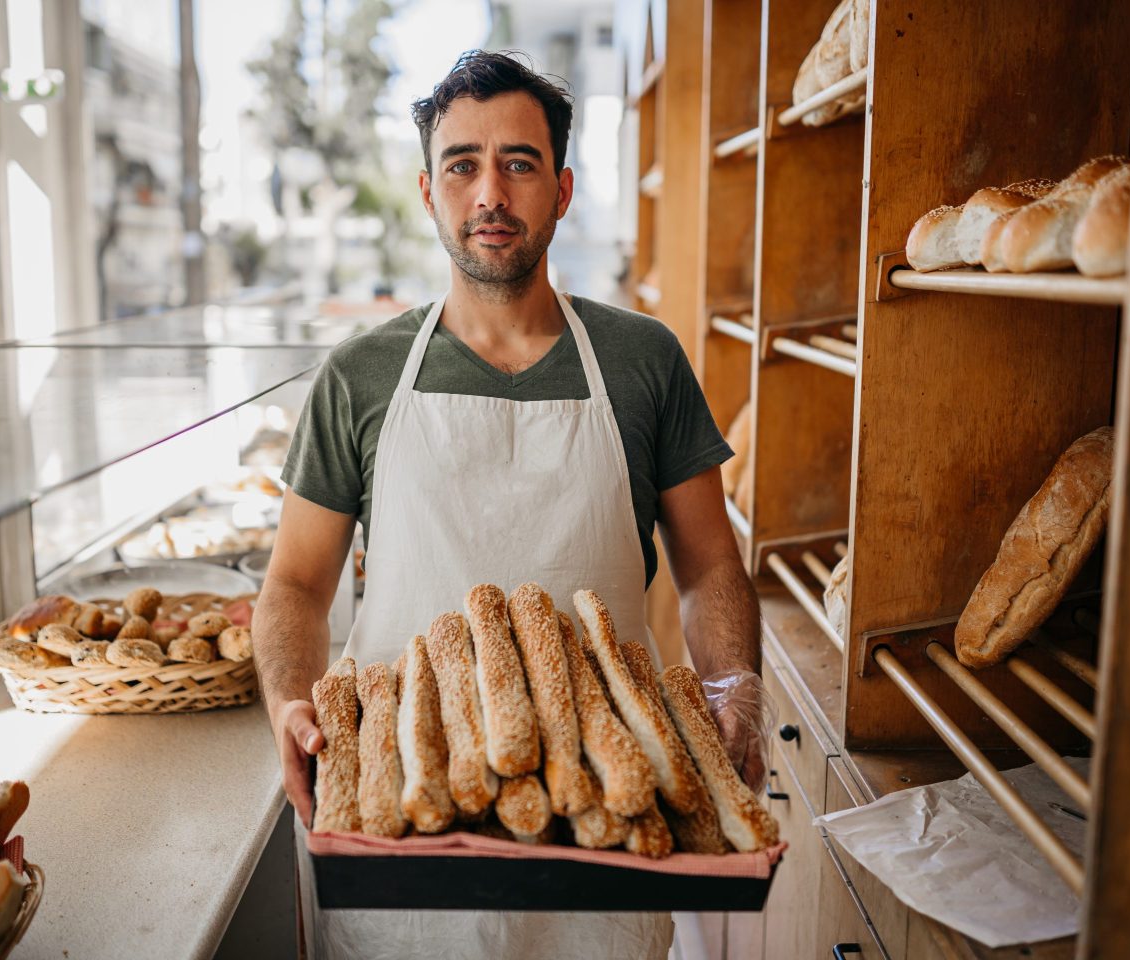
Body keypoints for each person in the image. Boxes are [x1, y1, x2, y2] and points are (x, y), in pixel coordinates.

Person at [254, 49, 765, 960]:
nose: (490, 192)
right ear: (427, 191)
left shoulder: (645, 361)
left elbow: (711, 565)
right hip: (405, 816)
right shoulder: (359, 375)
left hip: (600, 822)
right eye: (463, 165)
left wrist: (730, 687)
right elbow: (295, 582)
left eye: (519, 164)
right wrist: (290, 700)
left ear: (562, 189)